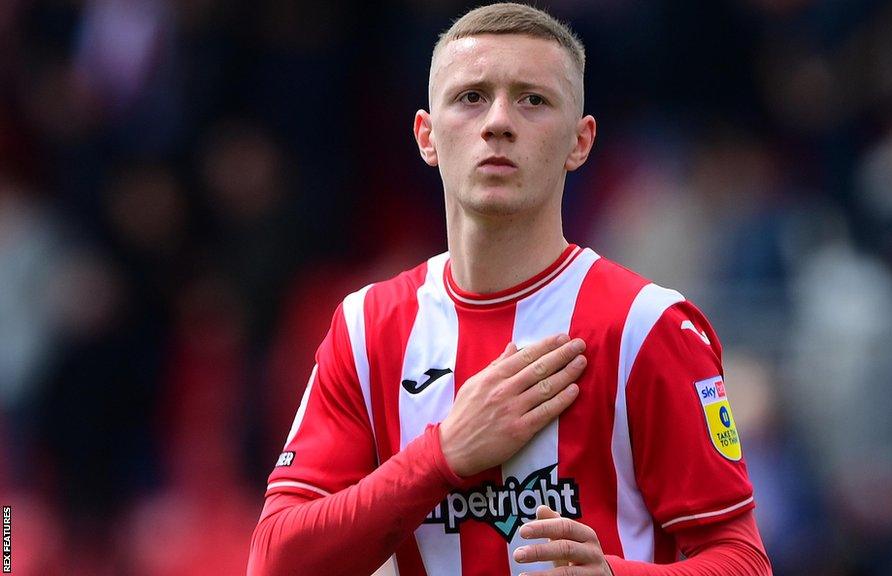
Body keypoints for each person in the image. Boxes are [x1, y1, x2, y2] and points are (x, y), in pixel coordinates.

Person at [247, 3, 772, 575]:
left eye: (533, 100)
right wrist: (442, 454)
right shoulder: (367, 326)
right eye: (471, 97)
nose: (498, 121)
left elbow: (743, 561)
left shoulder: (648, 327)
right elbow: (278, 561)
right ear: (426, 136)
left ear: (580, 141)